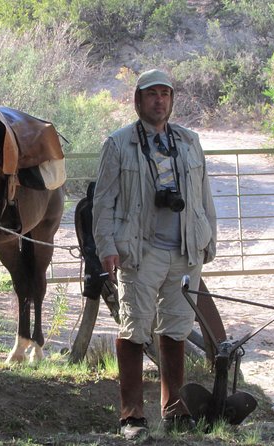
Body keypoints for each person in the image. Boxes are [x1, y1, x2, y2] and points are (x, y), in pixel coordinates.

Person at [92, 69, 217, 440]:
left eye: (165, 94)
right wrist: (107, 248)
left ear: (172, 100)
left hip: (184, 251)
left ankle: (174, 411)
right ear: (138, 100)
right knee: (134, 329)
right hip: (140, 252)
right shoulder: (118, 144)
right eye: (151, 94)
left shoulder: (190, 141)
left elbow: (203, 196)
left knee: (176, 330)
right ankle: (132, 417)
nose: (159, 100)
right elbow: (103, 203)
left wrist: (209, 238)